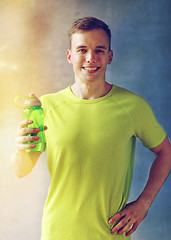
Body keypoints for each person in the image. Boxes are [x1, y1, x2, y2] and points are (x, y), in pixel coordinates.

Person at [11, 17, 171, 240]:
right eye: (82, 49)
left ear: (110, 56)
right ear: (70, 56)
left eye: (99, 50)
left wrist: (144, 203)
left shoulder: (133, 106)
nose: (90, 58)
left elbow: (165, 151)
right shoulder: (45, 107)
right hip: (57, 233)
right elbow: (21, 170)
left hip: (110, 234)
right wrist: (20, 147)